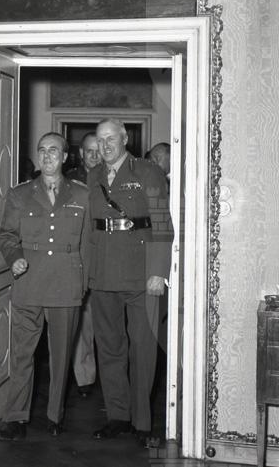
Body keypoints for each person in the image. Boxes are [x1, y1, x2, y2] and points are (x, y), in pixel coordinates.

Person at [0, 132, 90, 441]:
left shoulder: (82, 195)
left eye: (53, 150)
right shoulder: (20, 193)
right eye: (42, 150)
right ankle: (15, 418)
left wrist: (83, 282)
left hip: (66, 282)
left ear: (65, 157)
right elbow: (7, 235)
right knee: (22, 354)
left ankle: (54, 415)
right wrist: (15, 259)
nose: (47, 155)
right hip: (30, 281)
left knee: (61, 355)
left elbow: (88, 243)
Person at [87, 119, 172, 448]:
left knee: (143, 348)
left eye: (111, 138)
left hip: (141, 273)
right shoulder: (93, 175)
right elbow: (89, 228)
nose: (105, 145)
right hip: (103, 271)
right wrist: (87, 272)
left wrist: (158, 271)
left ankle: (142, 421)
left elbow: (162, 222)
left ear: (125, 139)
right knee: (109, 348)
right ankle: (117, 417)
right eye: (100, 140)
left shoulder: (147, 171)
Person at [65, 132, 101, 397]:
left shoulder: (114, 178)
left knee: (107, 325)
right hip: (77, 259)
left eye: (99, 150)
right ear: (81, 154)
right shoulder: (68, 181)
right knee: (82, 324)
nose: (95, 156)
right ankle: (84, 379)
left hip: (106, 258)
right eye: (90, 151)